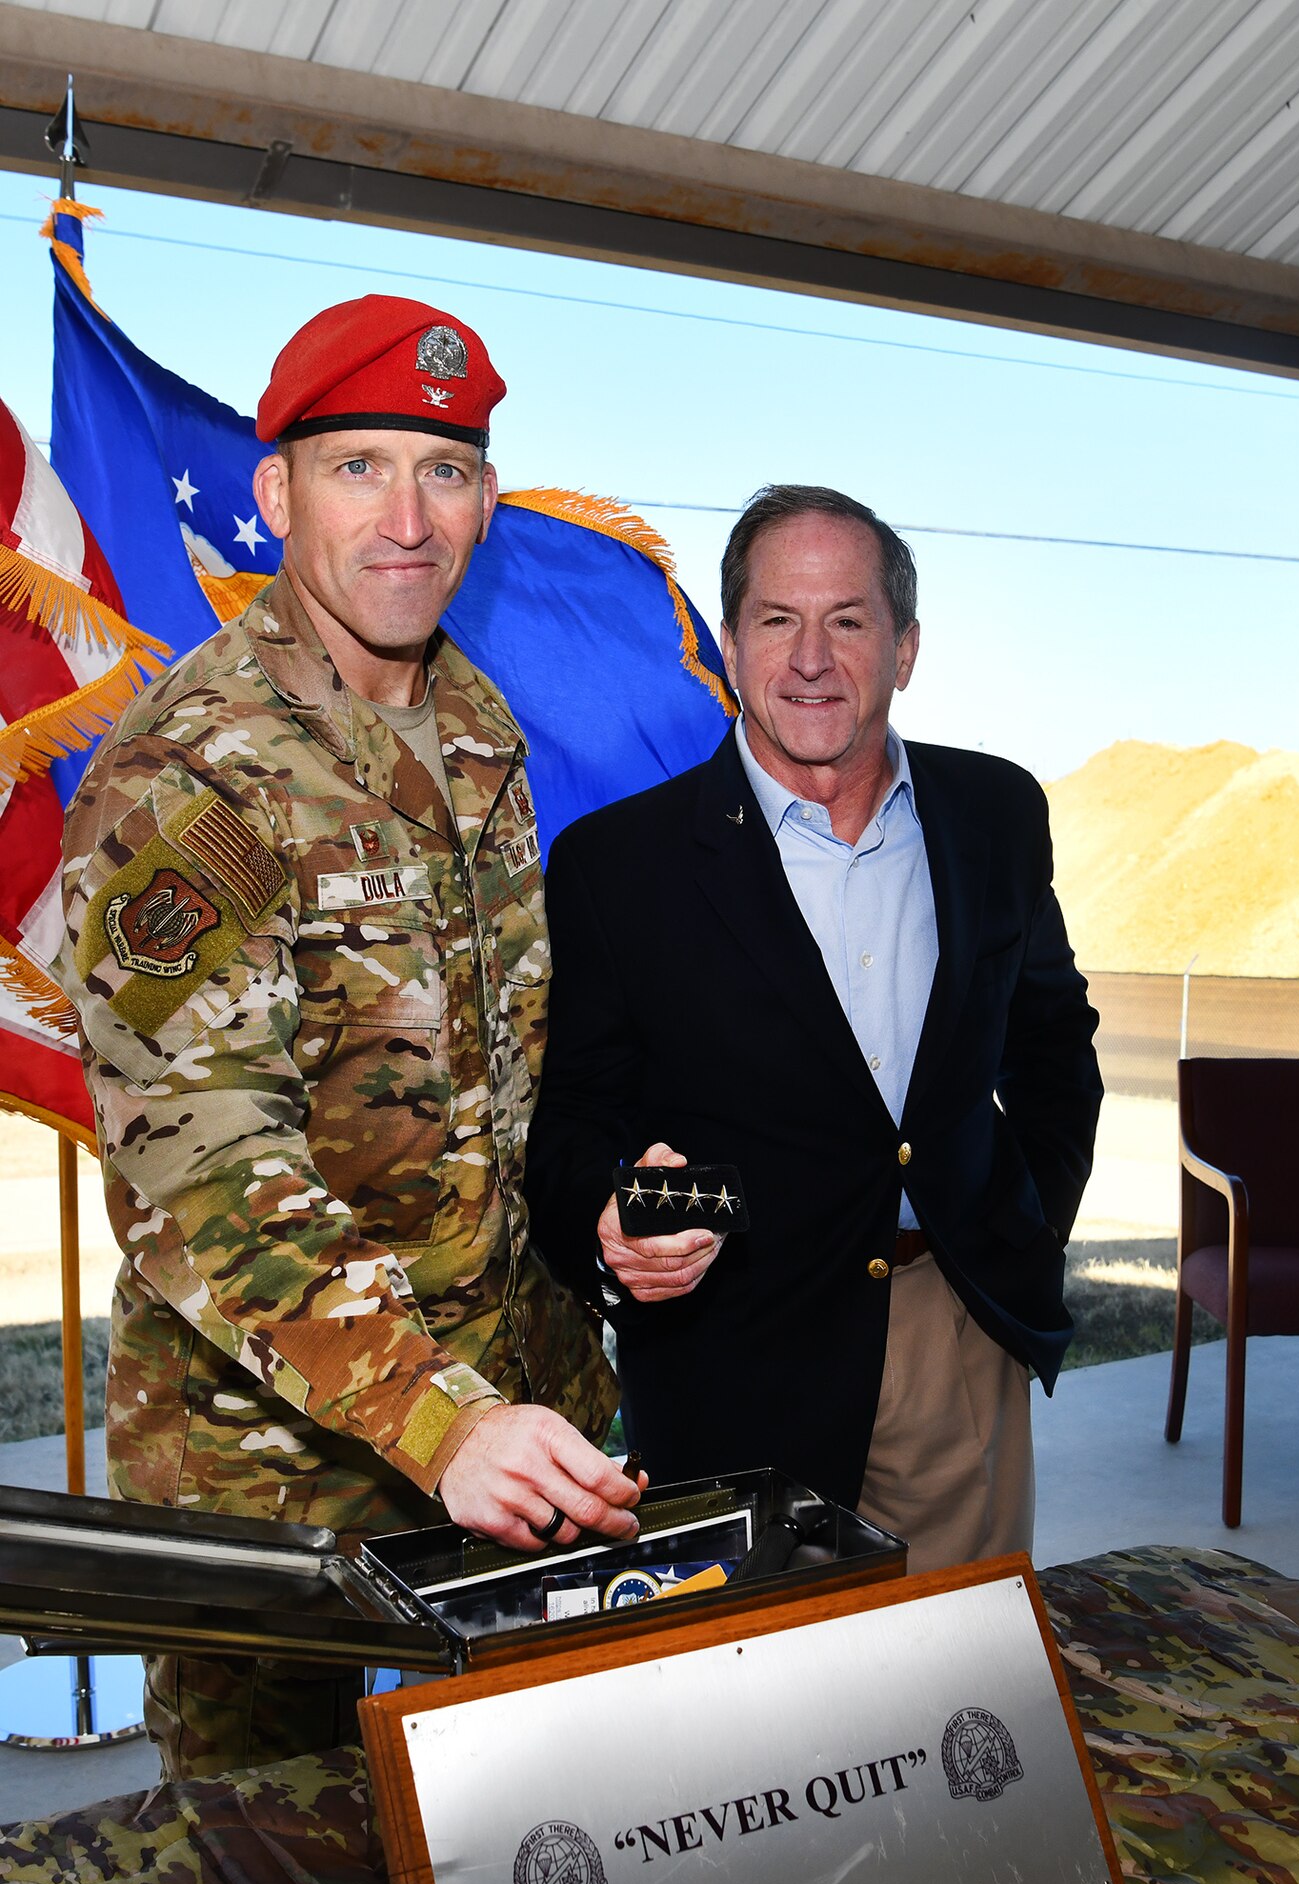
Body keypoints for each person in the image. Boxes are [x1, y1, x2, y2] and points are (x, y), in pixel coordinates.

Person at [54, 296, 641, 1777]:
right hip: (278, 1468)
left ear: (488, 504)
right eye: (360, 466)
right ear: (275, 493)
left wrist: (611, 1194)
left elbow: (505, 1072)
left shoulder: (476, 728)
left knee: (538, 1851)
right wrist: (439, 1425)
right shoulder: (193, 770)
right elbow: (202, 1181)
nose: (407, 517)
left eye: (444, 471)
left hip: (513, 1419)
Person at [526, 484, 1102, 1573]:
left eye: (846, 620)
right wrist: (624, 1222)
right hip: (728, 1354)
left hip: (950, 1337)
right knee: (747, 1720)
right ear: (731, 648)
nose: (809, 659)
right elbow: (569, 1135)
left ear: (905, 647)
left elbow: (1052, 1050)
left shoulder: (996, 816)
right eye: (775, 621)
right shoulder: (620, 865)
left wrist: (1018, 1225)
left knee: (959, 1702)